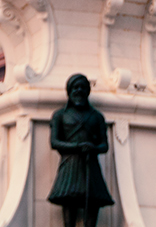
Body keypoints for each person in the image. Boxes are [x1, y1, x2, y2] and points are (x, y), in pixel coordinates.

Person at [48, 74, 113, 227]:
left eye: (83, 87)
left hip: (90, 165)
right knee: (69, 198)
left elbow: (104, 146)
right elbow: (54, 142)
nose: (79, 90)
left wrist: (93, 147)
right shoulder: (60, 115)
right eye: (75, 87)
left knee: (93, 201)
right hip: (70, 165)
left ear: (88, 91)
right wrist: (77, 147)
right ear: (69, 91)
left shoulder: (97, 117)